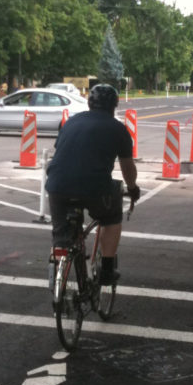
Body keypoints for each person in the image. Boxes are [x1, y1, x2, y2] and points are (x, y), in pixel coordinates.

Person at [45, 83, 140, 285]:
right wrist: (132, 189)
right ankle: (106, 270)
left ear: (89, 103)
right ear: (115, 105)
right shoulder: (118, 129)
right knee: (112, 219)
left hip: (57, 184)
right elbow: (127, 168)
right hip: (95, 187)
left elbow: (60, 152)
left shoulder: (70, 122)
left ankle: (59, 265)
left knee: (61, 236)